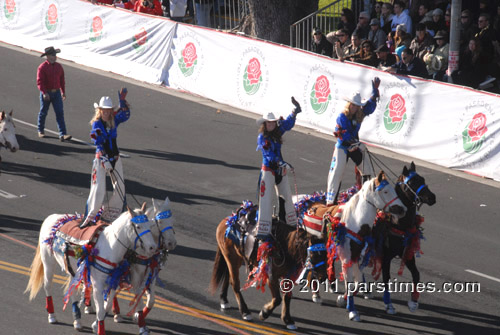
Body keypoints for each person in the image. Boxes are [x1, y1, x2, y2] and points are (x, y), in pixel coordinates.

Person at [80, 89, 131, 228]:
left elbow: (126, 115)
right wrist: (104, 159)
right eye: (104, 110)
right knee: (99, 190)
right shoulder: (97, 124)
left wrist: (122, 101)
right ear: (100, 110)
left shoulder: (113, 120)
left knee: (120, 186)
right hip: (102, 159)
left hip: (114, 156)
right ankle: (89, 217)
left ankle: (111, 215)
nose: (107, 112)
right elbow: (98, 142)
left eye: (109, 110)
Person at [326, 77, 380, 206]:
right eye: (353, 105)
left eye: (357, 105)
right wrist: (356, 143)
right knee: (336, 173)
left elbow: (370, 107)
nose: (355, 108)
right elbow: (345, 135)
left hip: (355, 147)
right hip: (343, 147)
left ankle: (368, 196)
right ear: (349, 104)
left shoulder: (359, 114)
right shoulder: (342, 116)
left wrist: (375, 92)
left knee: (367, 170)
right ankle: (330, 201)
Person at [255, 97, 301, 240]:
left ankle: (290, 223)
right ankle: (263, 231)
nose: (272, 125)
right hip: (268, 171)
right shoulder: (262, 137)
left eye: (273, 123)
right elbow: (268, 155)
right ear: (265, 124)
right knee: (266, 199)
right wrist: (280, 163)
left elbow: (287, 124)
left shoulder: (276, 132)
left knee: (286, 195)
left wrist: (294, 112)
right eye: (269, 123)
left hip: (279, 168)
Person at [37, 46, 72, 142]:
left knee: (60, 113)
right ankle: (40, 130)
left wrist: (63, 92)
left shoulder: (59, 67)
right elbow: (40, 82)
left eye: (55, 55)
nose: (54, 56)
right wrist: (44, 93)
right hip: (47, 92)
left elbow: (62, 81)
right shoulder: (42, 67)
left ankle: (63, 134)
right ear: (48, 56)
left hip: (56, 92)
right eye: (53, 55)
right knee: (43, 112)